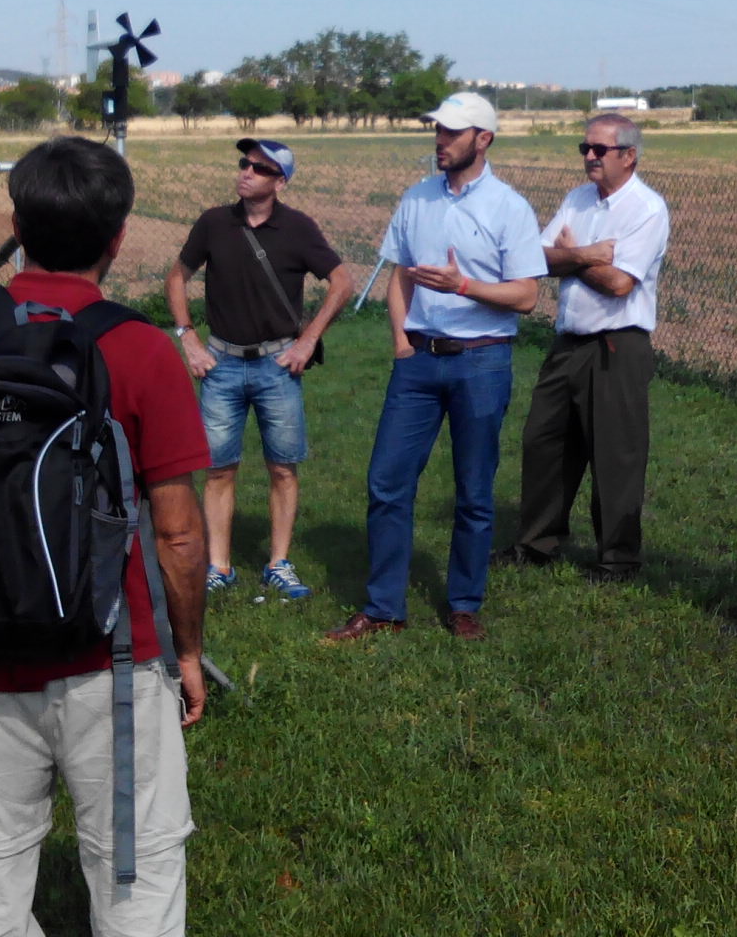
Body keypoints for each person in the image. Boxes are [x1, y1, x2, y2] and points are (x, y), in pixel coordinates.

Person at [0, 136, 210, 936]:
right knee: (134, 870)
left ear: (17, 225)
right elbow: (177, 535)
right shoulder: (139, 350)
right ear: (119, 235)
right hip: (116, 657)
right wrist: (189, 652)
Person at [327, 91, 546, 643]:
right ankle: (383, 608)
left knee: (474, 490)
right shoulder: (417, 199)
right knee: (387, 482)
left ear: (484, 138)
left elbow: (526, 297)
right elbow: (399, 275)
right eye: (437, 130)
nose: (440, 139)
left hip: (482, 361)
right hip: (418, 364)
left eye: (452, 131)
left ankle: (464, 604)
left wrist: (464, 286)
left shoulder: (509, 207)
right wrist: (401, 341)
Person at [166, 137, 356, 601]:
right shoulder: (214, 223)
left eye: (259, 168)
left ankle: (279, 563)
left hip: (277, 367)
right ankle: (219, 566)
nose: (246, 172)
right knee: (218, 470)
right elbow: (176, 277)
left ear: (280, 182)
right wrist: (188, 337)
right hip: (221, 365)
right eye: (244, 163)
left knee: (283, 469)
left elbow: (342, 281)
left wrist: (308, 341)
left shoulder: (298, 228)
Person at [503, 112, 671, 581]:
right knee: (545, 442)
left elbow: (619, 283)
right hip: (569, 341)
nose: (590, 157)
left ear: (629, 155)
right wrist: (586, 255)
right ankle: (536, 543)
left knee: (615, 454)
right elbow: (534, 258)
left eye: (600, 149)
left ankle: (618, 559)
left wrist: (569, 258)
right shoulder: (578, 199)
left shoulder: (647, 209)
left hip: (617, 344)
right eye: (585, 149)